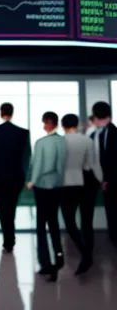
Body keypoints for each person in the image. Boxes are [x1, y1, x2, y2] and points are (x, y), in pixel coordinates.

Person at [0, 103, 31, 253]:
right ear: (12, 113)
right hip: (16, 177)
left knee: (2, 209)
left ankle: (8, 241)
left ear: (1, 112)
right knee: (12, 208)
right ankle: (10, 238)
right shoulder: (23, 133)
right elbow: (27, 157)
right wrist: (27, 177)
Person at [27, 112, 66, 282]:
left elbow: (37, 165)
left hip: (42, 186)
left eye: (44, 123)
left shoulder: (41, 143)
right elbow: (62, 165)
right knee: (54, 224)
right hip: (57, 187)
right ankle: (58, 258)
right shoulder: (63, 141)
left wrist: (32, 181)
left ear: (47, 124)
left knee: (41, 227)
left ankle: (45, 264)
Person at [60, 113, 94, 275]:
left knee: (70, 221)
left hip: (67, 185)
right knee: (87, 222)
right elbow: (91, 164)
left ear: (62, 126)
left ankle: (85, 253)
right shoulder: (87, 141)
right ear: (78, 124)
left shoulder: (59, 142)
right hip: (86, 183)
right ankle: (88, 254)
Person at [84, 101, 117, 248]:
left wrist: (108, 179)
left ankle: (114, 238)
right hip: (97, 177)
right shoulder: (95, 134)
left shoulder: (114, 133)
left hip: (113, 179)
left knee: (113, 209)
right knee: (109, 209)